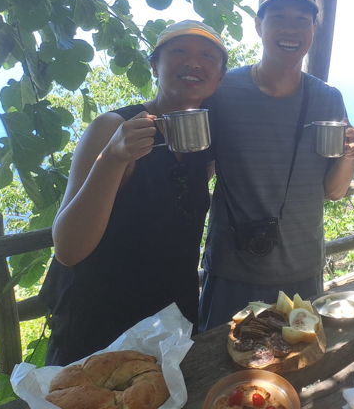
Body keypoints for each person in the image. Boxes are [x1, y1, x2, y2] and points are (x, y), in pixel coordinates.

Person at [41, 20, 228, 365]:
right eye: (179, 52)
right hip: (99, 328)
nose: (194, 62)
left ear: (219, 78)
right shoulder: (113, 128)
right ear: (155, 65)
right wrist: (113, 158)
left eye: (208, 56)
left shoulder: (202, 142)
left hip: (171, 323)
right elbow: (68, 249)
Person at [198, 0, 354, 331]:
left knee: (297, 373)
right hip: (232, 270)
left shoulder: (327, 98)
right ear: (258, 25)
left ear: (314, 29)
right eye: (278, 17)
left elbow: (334, 191)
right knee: (220, 373)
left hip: (302, 271)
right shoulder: (223, 92)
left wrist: (349, 155)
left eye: (302, 20)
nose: (291, 29)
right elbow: (199, 166)